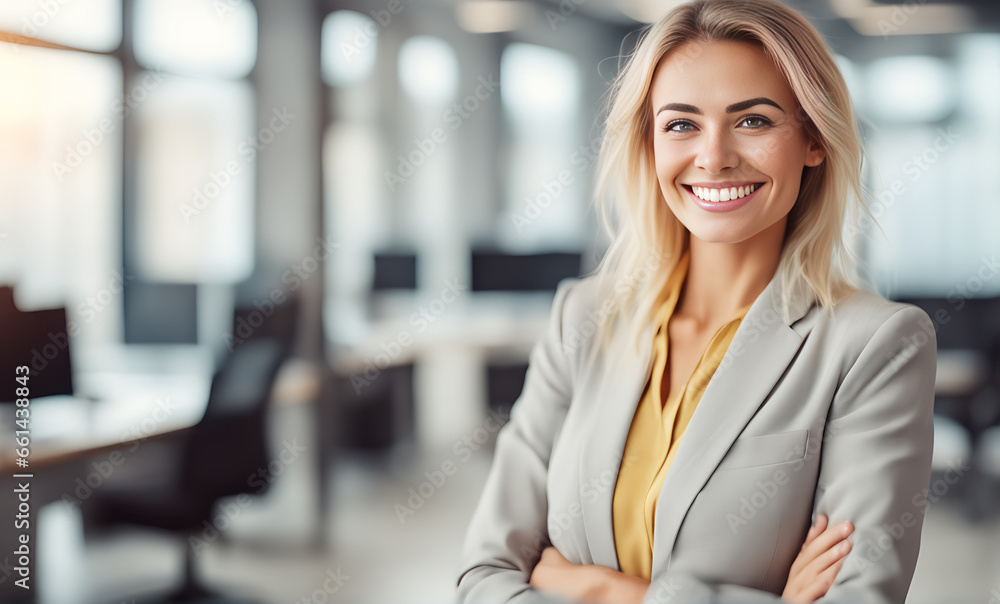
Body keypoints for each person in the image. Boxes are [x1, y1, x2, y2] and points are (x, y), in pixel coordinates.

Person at [456, 1, 937, 603]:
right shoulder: (582, 317)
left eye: (754, 121)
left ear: (813, 138)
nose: (713, 156)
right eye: (681, 124)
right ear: (650, 143)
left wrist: (596, 589)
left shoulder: (874, 345)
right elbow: (481, 579)